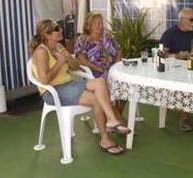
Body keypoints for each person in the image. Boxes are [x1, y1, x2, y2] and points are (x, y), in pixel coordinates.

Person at [29, 19, 130, 156]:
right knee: (96, 99)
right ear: (47, 34)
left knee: (100, 82)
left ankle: (111, 120)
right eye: (57, 29)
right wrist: (59, 63)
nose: (61, 30)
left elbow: (75, 67)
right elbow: (44, 80)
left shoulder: (58, 46)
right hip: (53, 91)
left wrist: (69, 60)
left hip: (68, 85)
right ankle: (105, 138)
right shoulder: (41, 51)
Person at [74, 12, 126, 123]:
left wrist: (116, 65)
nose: (100, 26)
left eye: (101, 23)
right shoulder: (82, 40)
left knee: (125, 84)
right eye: (97, 23)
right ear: (89, 25)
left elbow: (119, 50)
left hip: (111, 69)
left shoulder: (106, 36)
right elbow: (81, 60)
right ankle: (118, 120)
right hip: (94, 73)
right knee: (107, 82)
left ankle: (116, 114)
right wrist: (98, 69)